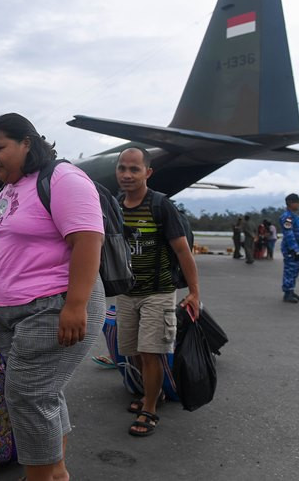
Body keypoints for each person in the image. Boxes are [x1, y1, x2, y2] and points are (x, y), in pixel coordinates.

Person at [0, 113, 105, 481]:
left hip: (52, 305)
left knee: (26, 396)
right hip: (9, 310)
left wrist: (75, 305)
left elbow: (87, 239)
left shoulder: (63, 179)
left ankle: (39, 477)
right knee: (40, 394)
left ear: (27, 143)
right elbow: (0, 244)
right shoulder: (11, 188)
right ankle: (56, 472)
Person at [112, 146, 200, 438]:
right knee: (132, 351)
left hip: (159, 291)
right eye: (122, 168)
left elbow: (182, 251)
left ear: (147, 173)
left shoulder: (161, 205)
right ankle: (155, 393)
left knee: (151, 352)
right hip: (127, 291)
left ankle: (149, 407)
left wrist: (195, 293)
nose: (127, 174)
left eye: (134, 169)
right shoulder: (115, 206)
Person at [279, 193, 299, 303]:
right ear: (290, 203)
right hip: (291, 248)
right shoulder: (287, 217)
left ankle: (291, 290)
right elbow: (289, 233)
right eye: (297, 202)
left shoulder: (295, 216)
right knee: (290, 270)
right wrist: (294, 249)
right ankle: (287, 292)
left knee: (295, 270)